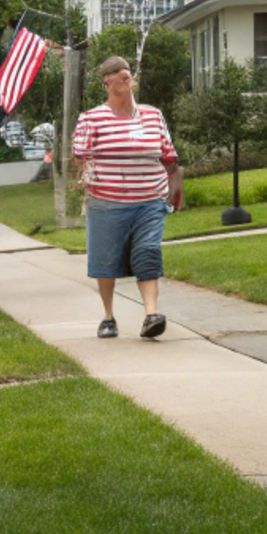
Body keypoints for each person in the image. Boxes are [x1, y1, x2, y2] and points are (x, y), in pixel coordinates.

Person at [69, 55, 181, 340]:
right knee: (106, 261)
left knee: (148, 251)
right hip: (106, 201)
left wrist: (175, 187)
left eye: (127, 71)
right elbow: (79, 156)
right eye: (116, 72)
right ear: (106, 82)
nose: (124, 75)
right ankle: (108, 317)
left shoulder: (152, 115)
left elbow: (169, 156)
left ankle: (151, 315)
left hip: (150, 199)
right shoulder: (91, 118)